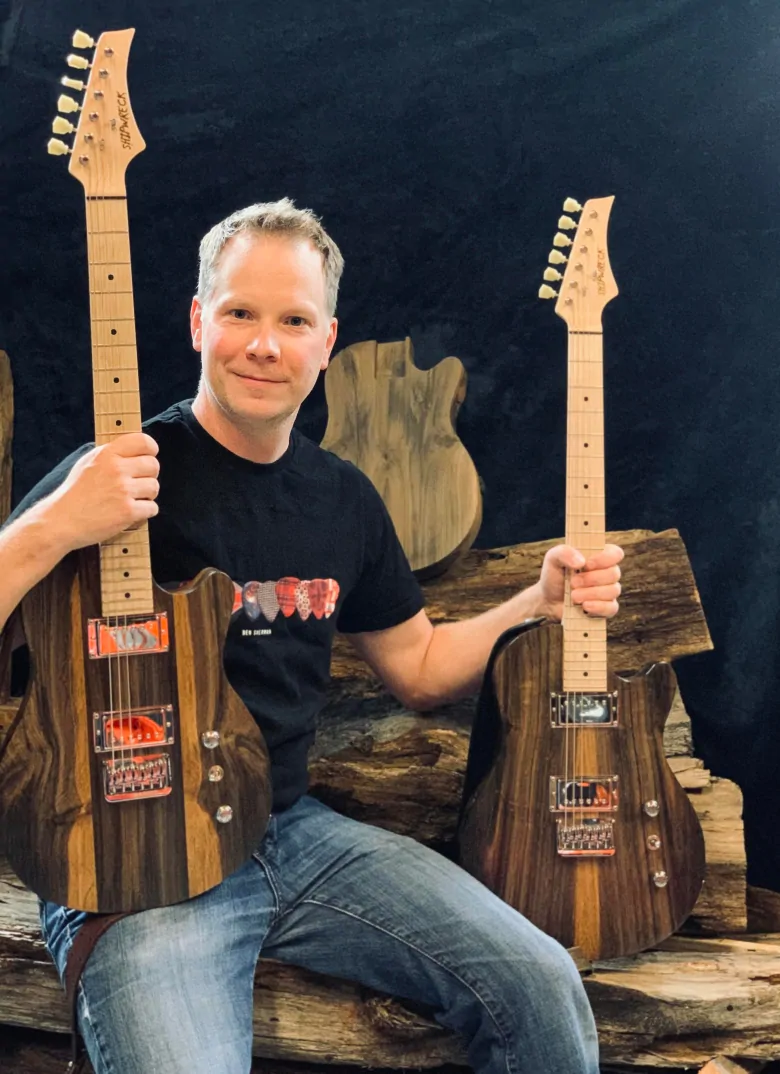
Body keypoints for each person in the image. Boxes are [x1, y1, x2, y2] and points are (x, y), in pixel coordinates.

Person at [0, 198, 622, 1074]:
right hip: (131, 862)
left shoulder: (343, 499)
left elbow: (420, 666)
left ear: (326, 341)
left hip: (295, 835)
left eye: (292, 320)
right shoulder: (118, 474)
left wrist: (538, 603)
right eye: (240, 314)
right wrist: (58, 523)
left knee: (541, 983)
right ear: (196, 322)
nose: (264, 344)